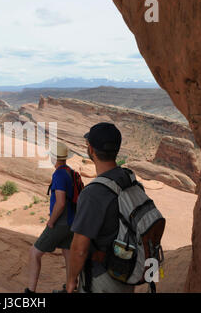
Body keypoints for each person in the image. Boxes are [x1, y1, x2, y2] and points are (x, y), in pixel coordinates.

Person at [66, 122, 135, 293]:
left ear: (90, 149)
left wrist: (71, 280)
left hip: (102, 278)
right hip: (126, 271)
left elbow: (79, 249)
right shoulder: (128, 178)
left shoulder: (93, 193)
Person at [25, 142, 76, 293]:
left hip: (60, 223)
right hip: (72, 222)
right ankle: (70, 288)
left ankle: (30, 292)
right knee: (67, 254)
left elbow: (60, 203)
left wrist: (51, 222)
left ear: (54, 157)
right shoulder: (71, 172)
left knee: (34, 253)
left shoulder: (59, 174)